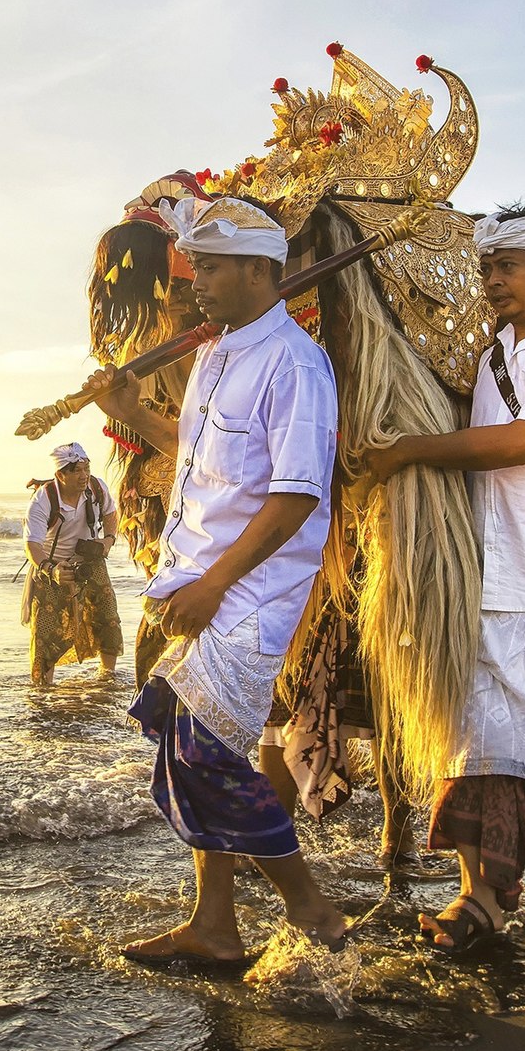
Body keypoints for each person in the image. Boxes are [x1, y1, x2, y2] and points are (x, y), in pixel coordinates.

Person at [361, 204, 525, 952]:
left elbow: (522, 442)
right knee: (480, 743)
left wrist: (407, 450)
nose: (492, 281)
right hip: (498, 577)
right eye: (485, 269)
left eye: (507, 266)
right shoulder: (490, 359)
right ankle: (479, 897)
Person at [91, 195, 350, 968]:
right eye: (194, 263)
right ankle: (215, 924)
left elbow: (298, 493)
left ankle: (310, 905)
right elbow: (204, 460)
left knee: (206, 753)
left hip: (250, 590)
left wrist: (212, 589)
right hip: (191, 579)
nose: (192, 279)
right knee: (190, 747)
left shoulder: (296, 362)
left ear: (258, 270)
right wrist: (134, 411)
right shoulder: (214, 352)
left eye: (207, 266)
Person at [23, 441, 124, 685]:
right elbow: (32, 546)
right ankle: (42, 691)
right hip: (52, 565)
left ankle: (107, 678)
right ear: (60, 475)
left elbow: (111, 514)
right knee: (46, 632)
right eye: (77, 471)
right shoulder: (43, 500)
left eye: (86, 468)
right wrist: (51, 569)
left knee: (108, 616)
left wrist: (108, 540)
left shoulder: (97, 488)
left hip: (90, 561)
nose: (84, 476)